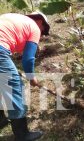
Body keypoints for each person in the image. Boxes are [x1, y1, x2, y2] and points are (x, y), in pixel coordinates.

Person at [0, 11, 50, 141]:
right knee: (15, 87)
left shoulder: (13, 17)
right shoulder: (34, 27)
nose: (42, 34)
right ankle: (22, 135)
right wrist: (31, 77)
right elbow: (28, 59)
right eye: (44, 31)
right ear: (40, 22)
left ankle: (1, 121)